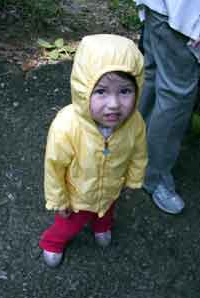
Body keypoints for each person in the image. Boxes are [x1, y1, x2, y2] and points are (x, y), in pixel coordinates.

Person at [39, 34, 147, 267]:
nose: (114, 104)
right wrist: (59, 200)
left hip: (111, 188)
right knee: (69, 225)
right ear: (82, 88)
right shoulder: (67, 125)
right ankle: (52, 242)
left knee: (107, 211)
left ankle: (102, 226)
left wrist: (134, 178)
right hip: (77, 196)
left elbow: (139, 152)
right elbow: (54, 166)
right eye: (101, 92)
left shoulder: (134, 122)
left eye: (125, 91)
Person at [134, 1, 200, 214]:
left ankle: (132, 147)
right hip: (183, 16)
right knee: (175, 95)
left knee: (154, 77)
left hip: (162, 7)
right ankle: (155, 176)